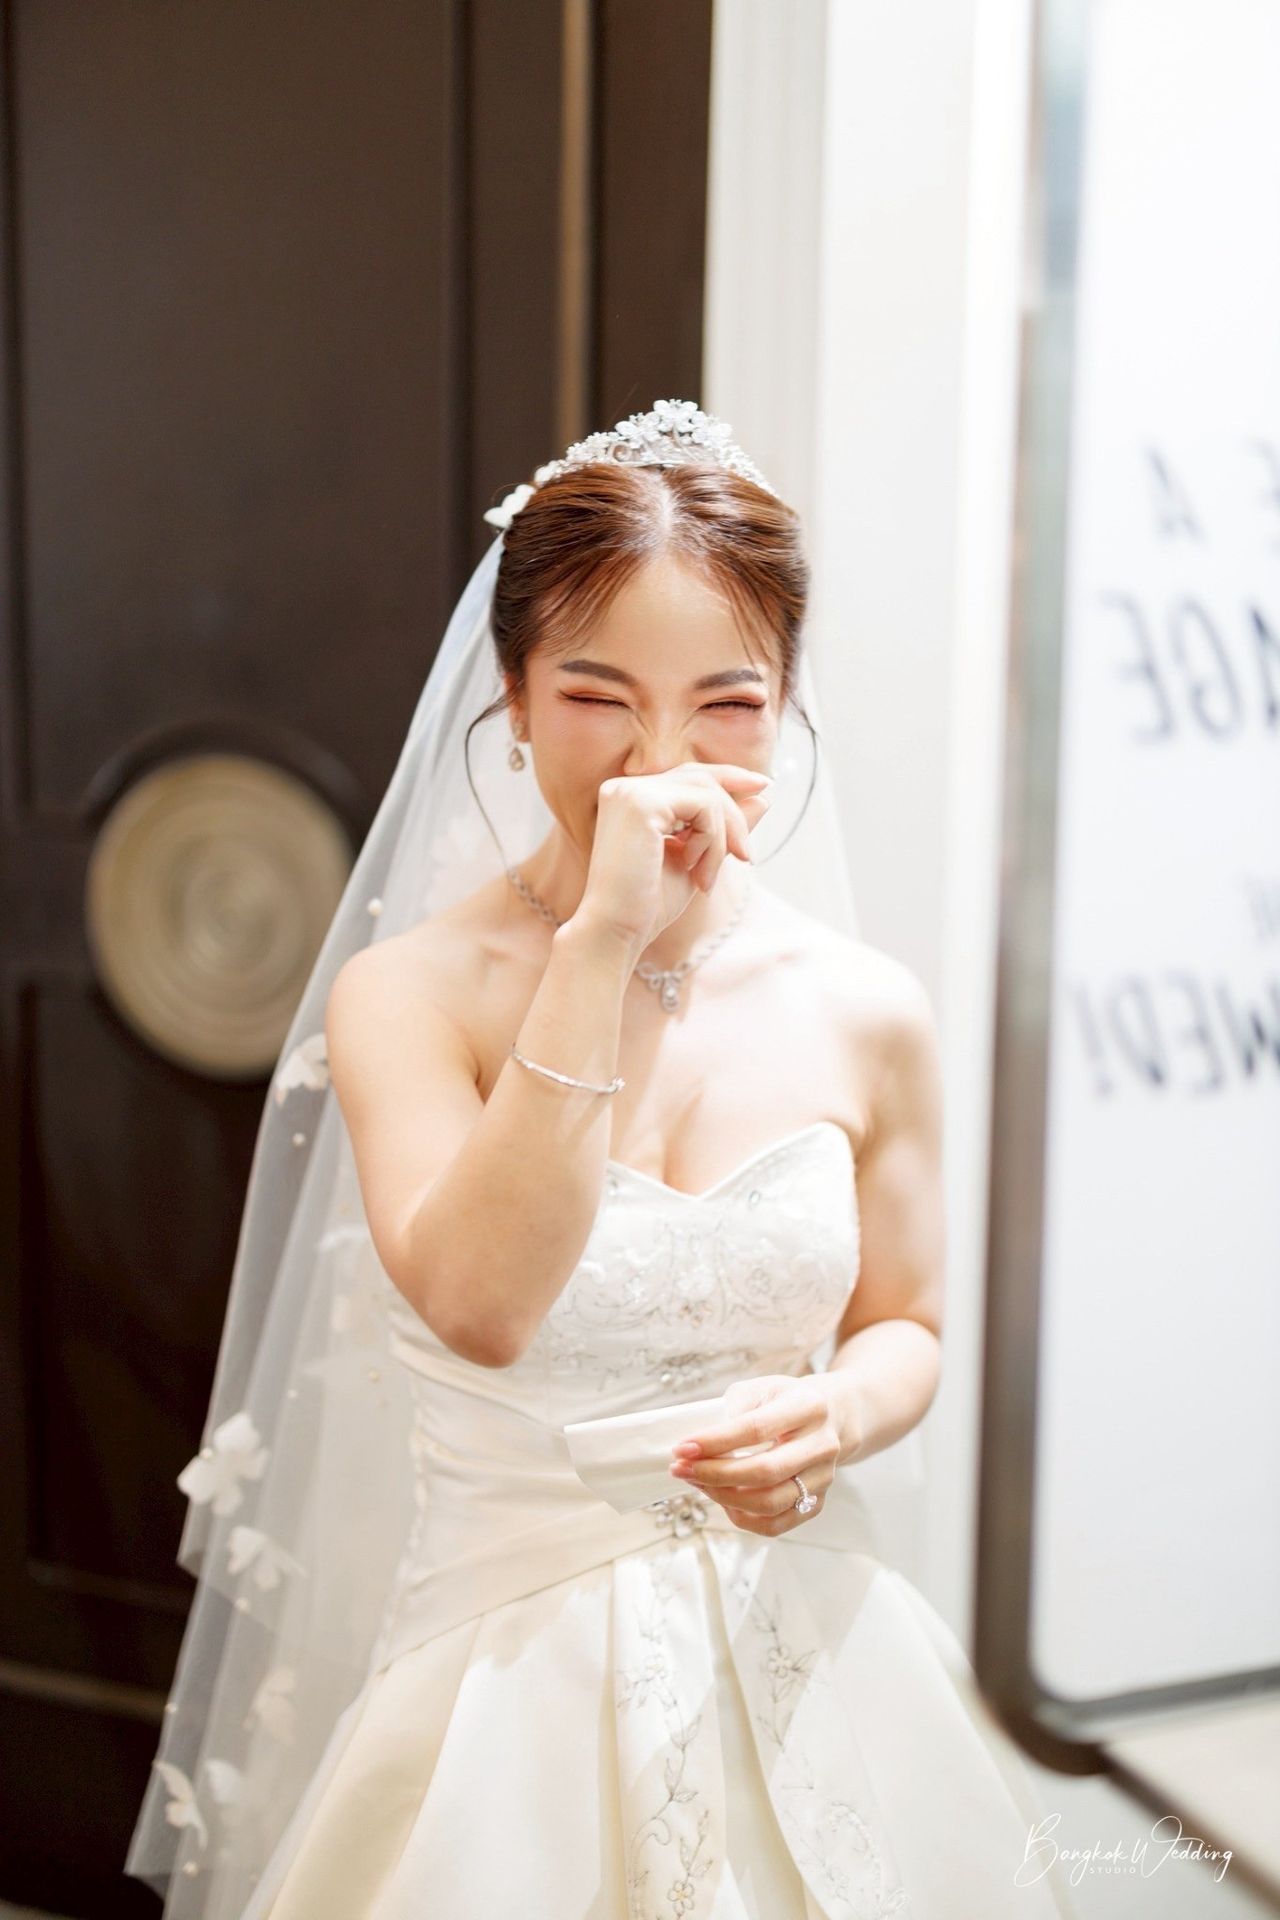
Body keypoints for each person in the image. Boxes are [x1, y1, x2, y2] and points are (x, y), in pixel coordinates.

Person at [125, 400, 1077, 1918]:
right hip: (505, 1699)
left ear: (785, 705)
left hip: (820, 1659)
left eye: (727, 702)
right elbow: (486, 1303)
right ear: (508, 696)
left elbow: (911, 1325)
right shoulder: (410, 995)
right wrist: (606, 934)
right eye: (593, 693)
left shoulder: (866, 1010)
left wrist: (834, 1414)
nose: (659, 757)